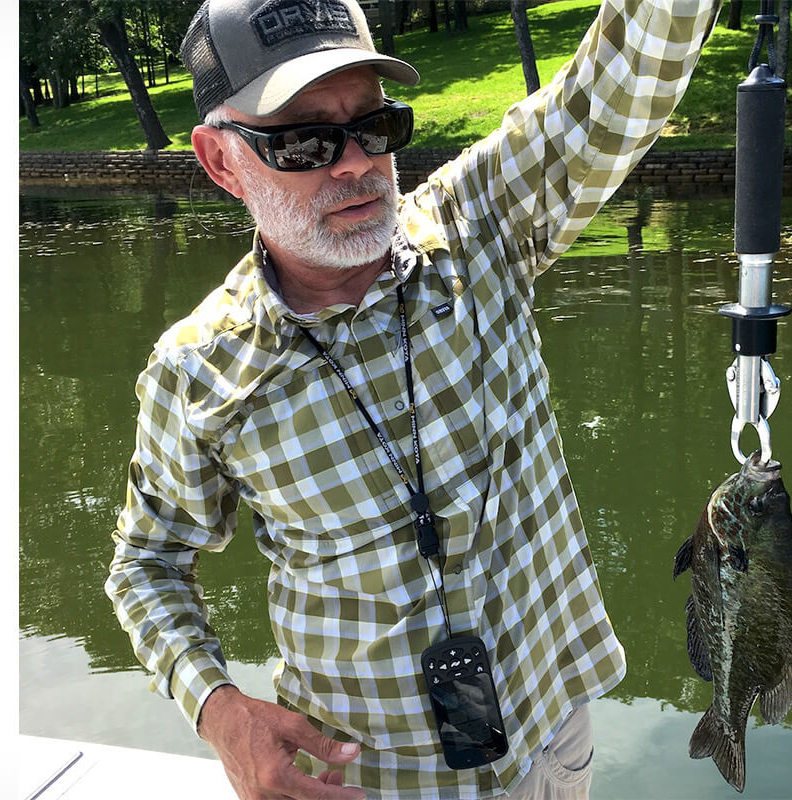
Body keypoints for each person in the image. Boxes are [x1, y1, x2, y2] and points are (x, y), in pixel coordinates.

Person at [106, 0, 723, 798]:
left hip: (547, 751)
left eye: (375, 125)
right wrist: (220, 710)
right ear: (220, 161)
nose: (355, 163)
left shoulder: (484, 224)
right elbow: (146, 563)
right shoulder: (195, 372)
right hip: (366, 780)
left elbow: (630, 71)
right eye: (303, 140)